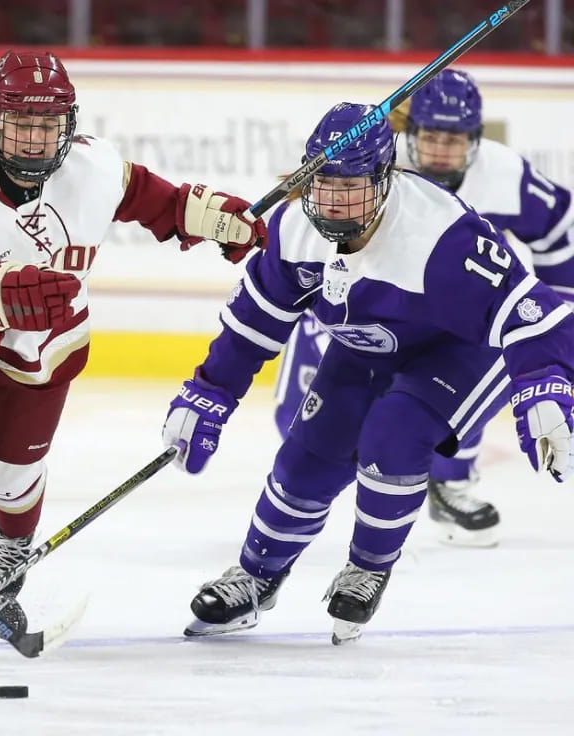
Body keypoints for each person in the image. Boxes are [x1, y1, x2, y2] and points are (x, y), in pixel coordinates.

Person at [0, 49, 268, 649]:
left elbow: (153, 199)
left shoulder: (93, 167)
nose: (32, 140)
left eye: (47, 125)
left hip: (46, 350)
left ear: (68, 126)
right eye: (21, 124)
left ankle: (10, 553)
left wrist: (208, 216)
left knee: (12, 473)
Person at [162, 101, 574, 645]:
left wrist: (544, 385)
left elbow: (536, 314)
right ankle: (256, 577)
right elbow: (252, 326)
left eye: (350, 184)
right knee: (311, 451)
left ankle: (368, 567)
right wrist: (208, 392)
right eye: (322, 181)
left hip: (461, 351)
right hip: (369, 344)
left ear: (385, 178)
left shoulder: (442, 236)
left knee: (395, 434)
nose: (333, 199)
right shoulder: (292, 229)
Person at [273, 68, 574, 547]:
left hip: (456, 313)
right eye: (430, 136)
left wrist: (558, 310)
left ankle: (451, 482)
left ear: (476, 139)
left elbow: (559, 223)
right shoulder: (376, 173)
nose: (440, 152)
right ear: (406, 134)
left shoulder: (503, 174)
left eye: (455, 140)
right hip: (364, 304)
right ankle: (309, 488)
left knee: (465, 367)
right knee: (300, 418)